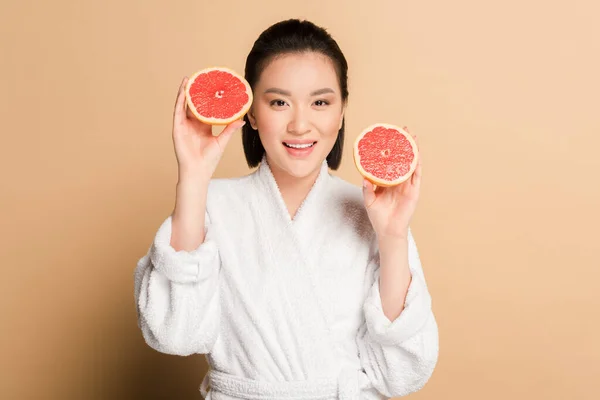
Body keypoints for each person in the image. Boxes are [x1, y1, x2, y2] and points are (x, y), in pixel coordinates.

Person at [134, 18, 438, 400]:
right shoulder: (210, 207)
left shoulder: (372, 215)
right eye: (279, 102)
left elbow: (401, 374)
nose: (299, 124)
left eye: (320, 102)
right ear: (251, 113)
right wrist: (193, 178)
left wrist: (393, 237)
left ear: (342, 111)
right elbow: (174, 332)